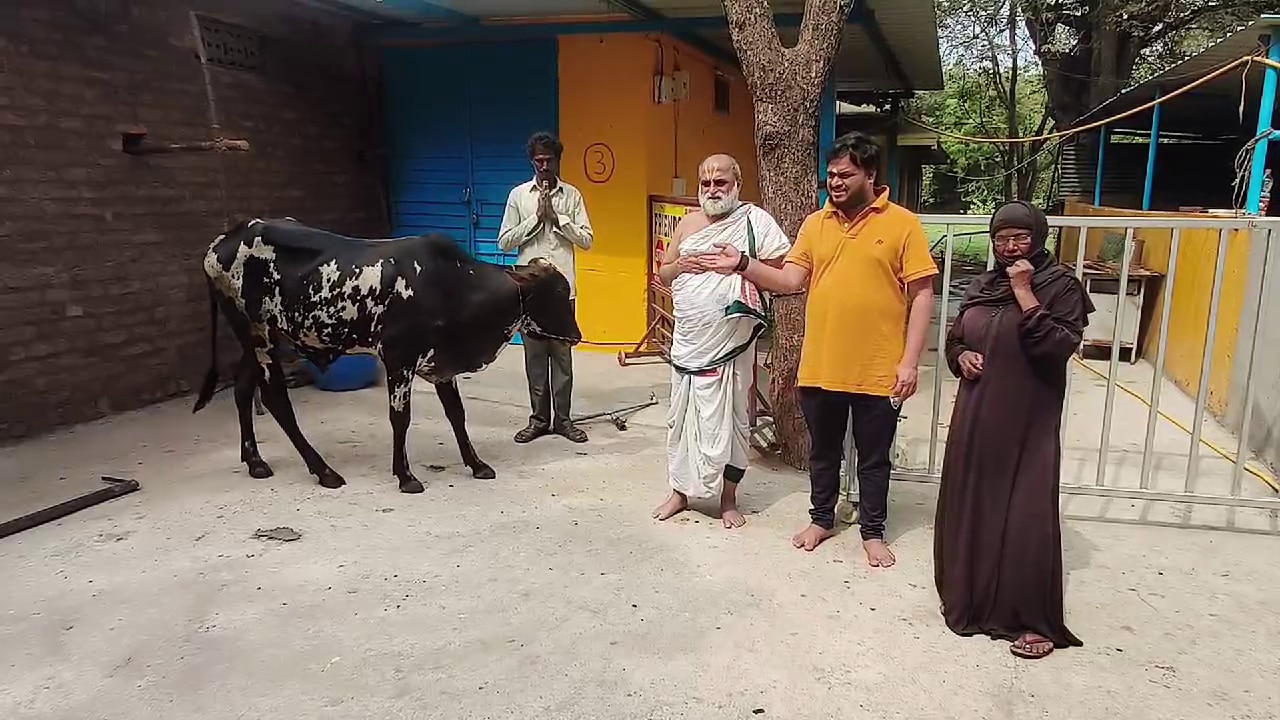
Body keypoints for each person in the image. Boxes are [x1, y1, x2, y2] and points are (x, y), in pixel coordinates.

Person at [704, 132, 937, 566]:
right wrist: (743, 264)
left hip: (878, 367)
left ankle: (872, 531)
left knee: (873, 458)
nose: (835, 182)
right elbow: (791, 282)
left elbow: (922, 294)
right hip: (822, 364)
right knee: (823, 452)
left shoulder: (903, 223)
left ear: (870, 174)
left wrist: (910, 362)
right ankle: (822, 519)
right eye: (830, 175)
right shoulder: (816, 223)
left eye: (845, 175)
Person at [933, 200, 1091, 660]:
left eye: (1019, 237)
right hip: (978, 413)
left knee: (1025, 514)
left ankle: (1028, 617)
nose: (1009, 246)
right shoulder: (984, 284)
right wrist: (961, 356)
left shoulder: (1061, 286)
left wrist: (1025, 292)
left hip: (1028, 418)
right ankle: (972, 599)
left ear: (1038, 237)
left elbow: (1056, 347)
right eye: (1001, 238)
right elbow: (957, 335)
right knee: (976, 503)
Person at [651, 154, 792, 528]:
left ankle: (729, 499)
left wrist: (740, 263)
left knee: (732, 420)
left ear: (737, 184)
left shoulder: (754, 220)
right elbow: (663, 274)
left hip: (731, 345)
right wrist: (680, 267)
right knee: (681, 421)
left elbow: (782, 272)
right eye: (706, 183)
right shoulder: (687, 224)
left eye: (721, 183)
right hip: (688, 341)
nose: (712, 190)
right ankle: (679, 492)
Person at [498, 132, 593, 444]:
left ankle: (563, 421)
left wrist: (559, 218)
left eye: (548, 160)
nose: (543, 166)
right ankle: (539, 420)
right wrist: (536, 219)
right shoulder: (518, 196)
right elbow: (504, 241)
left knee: (562, 359)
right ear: (531, 161)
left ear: (557, 161)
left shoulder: (573, 196)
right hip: (532, 293)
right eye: (538, 161)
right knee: (535, 359)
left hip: (563, 293)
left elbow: (587, 241)